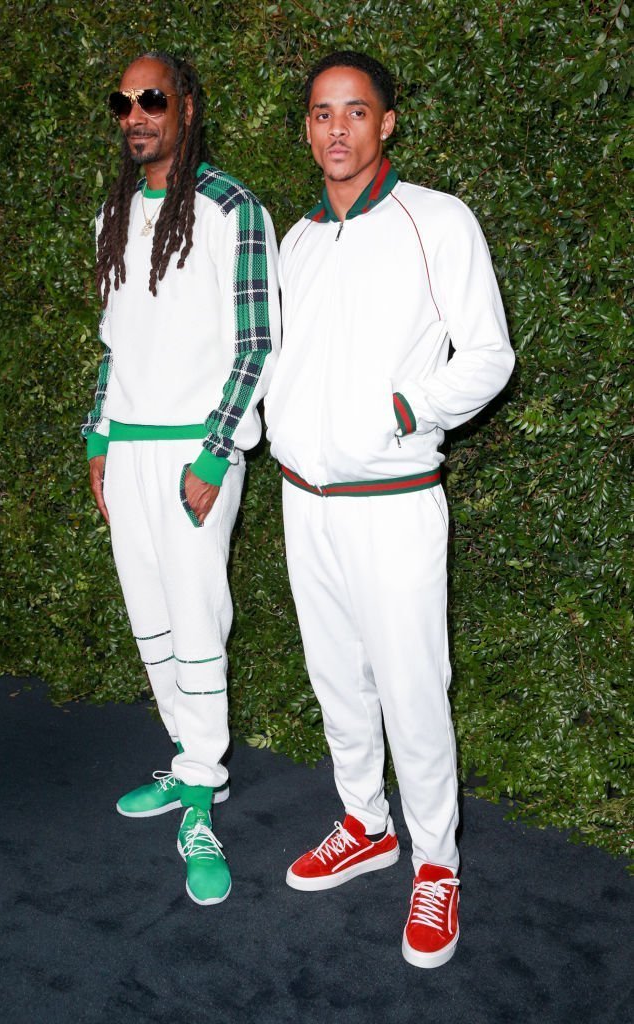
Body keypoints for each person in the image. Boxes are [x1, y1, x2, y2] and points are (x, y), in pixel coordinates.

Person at [266, 51, 514, 967]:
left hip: (395, 498)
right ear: (306, 128)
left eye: (355, 112)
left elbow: (486, 356)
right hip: (304, 501)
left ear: (386, 124)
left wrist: (407, 411)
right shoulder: (293, 240)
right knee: (338, 681)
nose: (337, 129)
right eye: (322, 113)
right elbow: (278, 360)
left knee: (412, 689)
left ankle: (437, 865)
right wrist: (269, 428)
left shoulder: (435, 220)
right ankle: (366, 825)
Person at [81, 51, 280, 906]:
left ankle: (200, 796)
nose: (136, 114)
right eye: (123, 101)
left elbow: (255, 340)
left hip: (196, 449)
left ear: (187, 107)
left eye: (152, 98)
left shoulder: (231, 206)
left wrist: (215, 449)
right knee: (150, 616)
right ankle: (192, 762)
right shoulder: (111, 215)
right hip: (125, 447)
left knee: (198, 616)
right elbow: (114, 342)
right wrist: (97, 433)